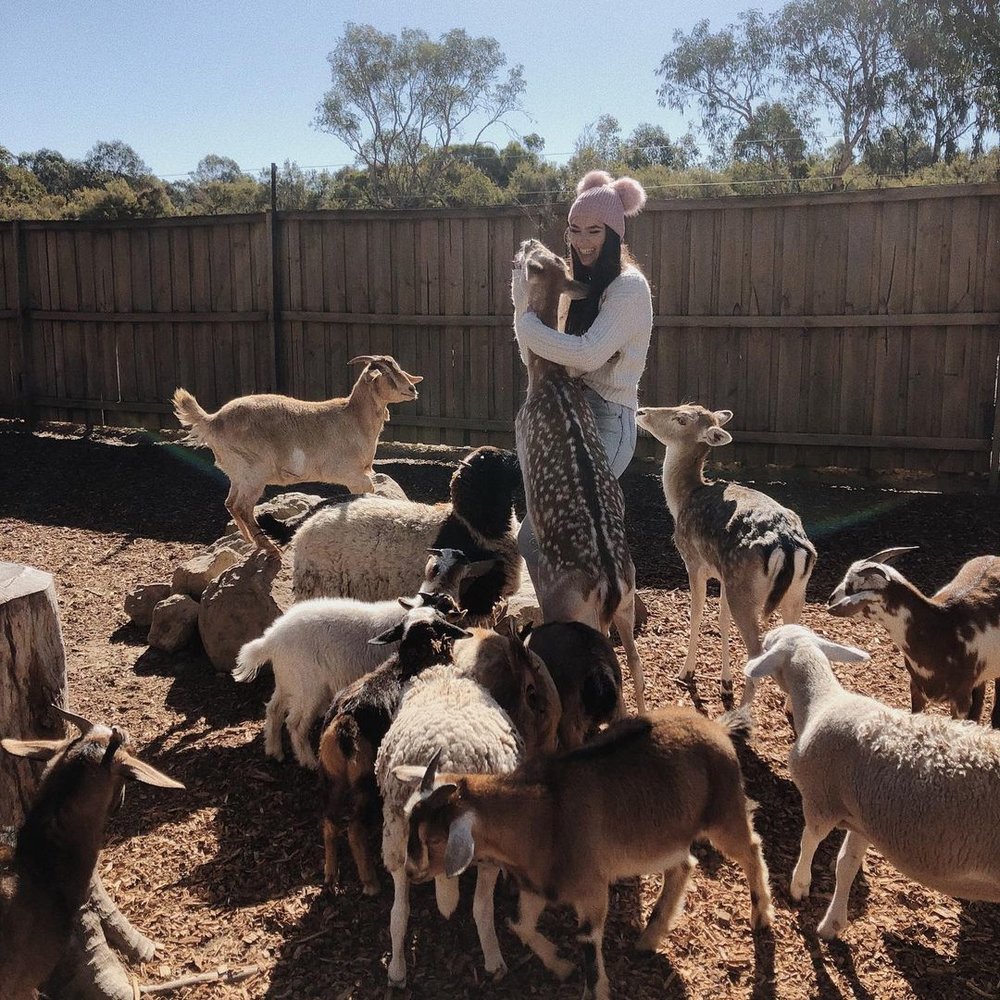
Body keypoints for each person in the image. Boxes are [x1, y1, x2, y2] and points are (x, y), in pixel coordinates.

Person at [512, 169, 654, 580]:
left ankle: (570, 626)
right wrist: (524, 300)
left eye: (595, 231)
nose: (583, 241)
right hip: (569, 415)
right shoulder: (576, 284)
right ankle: (612, 608)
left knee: (537, 537)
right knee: (573, 532)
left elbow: (584, 356)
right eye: (575, 230)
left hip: (609, 420)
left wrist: (527, 326)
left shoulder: (629, 288)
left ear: (615, 233)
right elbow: (535, 356)